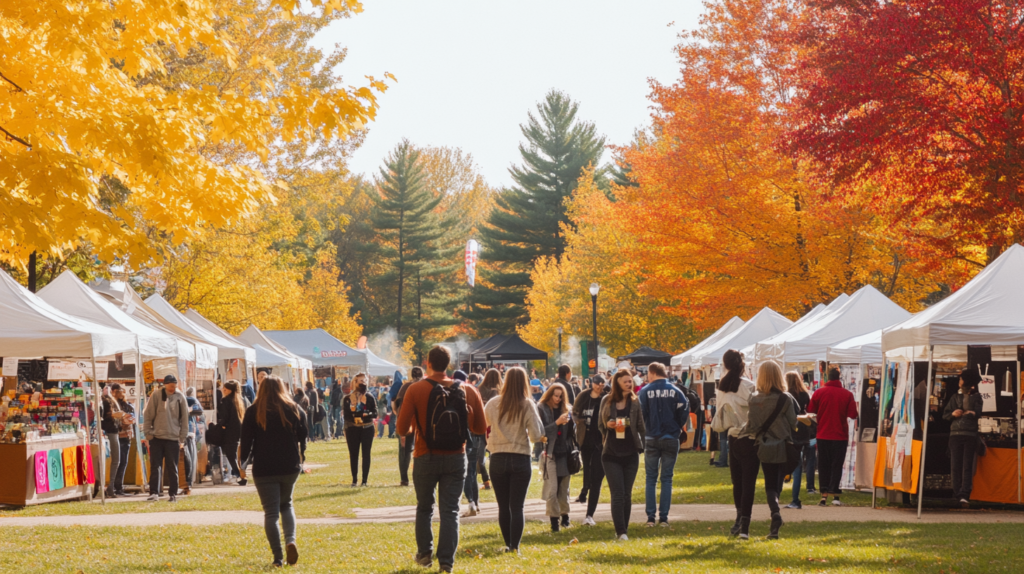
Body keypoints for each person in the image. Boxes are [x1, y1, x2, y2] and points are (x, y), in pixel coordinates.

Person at [396, 346, 486, 574]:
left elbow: (401, 429)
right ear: (449, 364)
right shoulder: (467, 389)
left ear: (427, 363)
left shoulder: (415, 389)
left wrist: (417, 424)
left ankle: (425, 553)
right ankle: (446, 562)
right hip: (456, 456)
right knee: (450, 511)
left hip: (425, 454)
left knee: (425, 507)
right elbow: (479, 428)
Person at [239, 375, 308, 567]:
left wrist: (243, 464)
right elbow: (304, 433)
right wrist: (301, 453)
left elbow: (246, 440)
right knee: (286, 504)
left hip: (264, 466)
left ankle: (278, 557)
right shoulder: (293, 408)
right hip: (289, 465)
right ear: (281, 388)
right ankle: (290, 540)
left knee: (271, 513)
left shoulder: (253, 411)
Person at [483, 367, 543, 553]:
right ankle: (514, 546)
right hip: (520, 456)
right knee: (517, 506)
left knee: (503, 506)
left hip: (497, 456)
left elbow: (486, 425)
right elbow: (536, 435)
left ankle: (508, 542)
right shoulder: (527, 404)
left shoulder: (493, 403)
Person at [736, 361, 796, 540]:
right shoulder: (785, 398)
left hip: (760, 445)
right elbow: (793, 422)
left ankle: (747, 527)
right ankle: (775, 513)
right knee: (773, 485)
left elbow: (752, 426)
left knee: (753, 484)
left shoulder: (754, 399)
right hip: (780, 446)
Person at [638, 362, 688, 527]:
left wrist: (647, 427)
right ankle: (664, 518)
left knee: (651, 478)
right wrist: (677, 426)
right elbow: (684, 410)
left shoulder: (644, 391)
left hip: (651, 436)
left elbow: (641, 414)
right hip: (670, 437)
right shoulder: (675, 390)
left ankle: (650, 517)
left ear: (652, 373)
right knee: (667, 478)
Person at [713, 350, 756, 538]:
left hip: (732, 436)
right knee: (748, 482)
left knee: (737, 481)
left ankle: (739, 516)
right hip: (749, 436)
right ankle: (744, 520)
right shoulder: (748, 386)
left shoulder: (722, 388)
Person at [600, 369, 646, 541]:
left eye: (630, 381)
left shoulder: (635, 402)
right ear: (617, 383)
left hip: (631, 452)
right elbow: (600, 424)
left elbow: (641, 426)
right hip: (611, 453)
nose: (629, 384)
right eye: (625, 381)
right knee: (618, 493)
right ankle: (620, 531)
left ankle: (624, 530)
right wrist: (608, 425)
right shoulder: (607, 400)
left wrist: (645, 446)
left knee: (627, 494)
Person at [808, 367, 858, 507]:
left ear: (827, 377)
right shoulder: (847, 394)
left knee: (823, 464)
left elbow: (810, 410)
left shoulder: (819, 393)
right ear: (839, 377)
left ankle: (823, 495)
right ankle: (835, 493)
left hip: (823, 434)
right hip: (840, 435)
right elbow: (853, 414)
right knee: (837, 465)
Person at [143, 375, 189, 502]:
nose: (173, 388)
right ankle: (154, 492)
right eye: (170, 386)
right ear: (165, 385)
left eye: (174, 386)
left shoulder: (180, 397)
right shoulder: (156, 395)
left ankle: (173, 493)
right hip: (157, 437)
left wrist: (182, 437)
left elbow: (184, 419)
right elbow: (148, 415)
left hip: (173, 438)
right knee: (155, 466)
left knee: (172, 467)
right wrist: (148, 433)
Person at [538, 381, 576, 531]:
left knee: (564, 488)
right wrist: (557, 423)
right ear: (549, 394)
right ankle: (554, 520)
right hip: (550, 452)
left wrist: (572, 423)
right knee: (552, 488)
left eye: (561, 396)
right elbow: (541, 432)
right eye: (555, 396)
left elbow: (573, 434)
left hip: (565, 453)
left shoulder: (567, 409)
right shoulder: (542, 408)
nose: (558, 399)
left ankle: (565, 517)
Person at [943, 367, 984, 506]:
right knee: (955, 465)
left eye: (961, 379)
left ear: (966, 381)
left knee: (967, 465)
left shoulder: (977, 397)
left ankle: (964, 493)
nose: (959, 381)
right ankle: (957, 493)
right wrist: (953, 414)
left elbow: (979, 413)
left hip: (970, 434)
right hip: (956, 434)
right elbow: (945, 415)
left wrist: (973, 413)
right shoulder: (955, 397)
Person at [571, 373, 607, 524]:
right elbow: (574, 412)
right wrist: (579, 421)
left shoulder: (605, 397)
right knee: (587, 466)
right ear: (592, 383)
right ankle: (585, 490)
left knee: (596, 472)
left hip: (600, 440)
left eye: (602, 384)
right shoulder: (583, 396)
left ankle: (588, 495)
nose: (599, 387)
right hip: (585, 438)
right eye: (597, 384)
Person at [784, 371, 813, 509]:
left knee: (788, 461)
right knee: (799, 464)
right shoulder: (804, 394)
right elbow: (810, 410)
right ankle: (796, 497)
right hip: (804, 431)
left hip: (791, 431)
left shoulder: (786, 396)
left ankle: (791, 496)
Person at [343, 373, 377, 486]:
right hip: (353, 429)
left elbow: (375, 413)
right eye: (361, 381)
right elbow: (347, 416)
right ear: (355, 382)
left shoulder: (370, 397)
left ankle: (364, 481)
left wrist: (364, 414)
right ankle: (354, 480)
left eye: (365, 381)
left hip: (367, 428)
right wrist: (356, 415)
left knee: (366, 454)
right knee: (354, 454)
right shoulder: (348, 398)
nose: (363, 383)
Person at [100, 384, 129, 498]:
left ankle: (111, 486)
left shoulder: (112, 401)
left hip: (114, 431)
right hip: (110, 432)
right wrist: (113, 416)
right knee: (115, 460)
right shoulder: (105, 401)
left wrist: (121, 419)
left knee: (117, 460)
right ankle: (109, 486)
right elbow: (103, 417)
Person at [476, 369, 501, 491]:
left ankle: (486, 480)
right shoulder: (501, 390)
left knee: (480, 455)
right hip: (497, 426)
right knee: (495, 455)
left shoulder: (480, 389)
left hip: (482, 424)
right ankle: (493, 480)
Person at [218, 380, 247, 485]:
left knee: (230, 454)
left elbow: (225, 416)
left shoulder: (226, 401)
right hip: (239, 429)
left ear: (229, 390)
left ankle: (239, 475)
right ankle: (240, 474)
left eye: (225, 389)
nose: (223, 390)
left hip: (229, 430)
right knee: (234, 453)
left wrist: (221, 425)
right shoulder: (241, 400)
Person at [183, 387, 204, 494]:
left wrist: (190, 409)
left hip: (187, 432)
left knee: (188, 459)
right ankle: (186, 484)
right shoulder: (189, 399)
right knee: (187, 459)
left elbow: (199, 410)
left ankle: (188, 484)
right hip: (182, 433)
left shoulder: (188, 399)